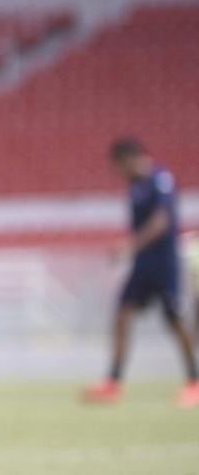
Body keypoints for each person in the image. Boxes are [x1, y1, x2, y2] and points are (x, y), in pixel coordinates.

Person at [83, 138, 199, 408]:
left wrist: (130, 245)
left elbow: (162, 221)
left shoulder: (161, 179)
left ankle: (194, 380)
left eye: (119, 166)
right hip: (142, 264)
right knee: (122, 313)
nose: (119, 173)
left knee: (174, 319)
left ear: (130, 159)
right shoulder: (136, 186)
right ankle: (113, 382)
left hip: (163, 262)